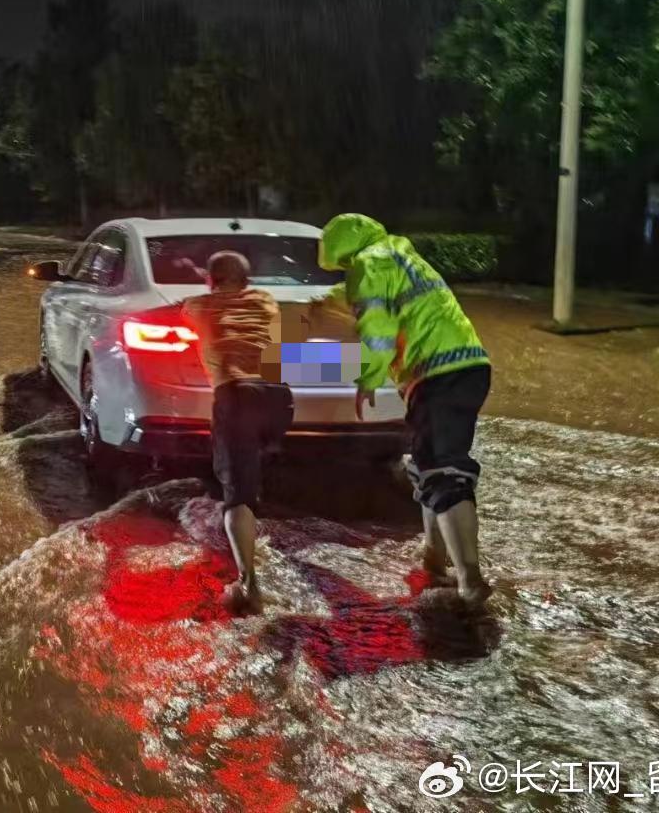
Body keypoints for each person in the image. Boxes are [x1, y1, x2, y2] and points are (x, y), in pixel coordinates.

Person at [316, 214, 493, 605]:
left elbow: (376, 330)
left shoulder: (367, 263)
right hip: (468, 367)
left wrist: (368, 379)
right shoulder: (398, 254)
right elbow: (370, 305)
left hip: (437, 372)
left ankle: (470, 580)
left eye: (342, 266)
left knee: (445, 472)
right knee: (433, 465)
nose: (346, 272)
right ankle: (435, 564)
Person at [181, 250, 293, 614]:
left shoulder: (198, 305)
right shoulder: (266, 301)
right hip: (279, 398)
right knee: (254, 465)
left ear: (211, 281)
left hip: (237, 395)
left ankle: (247, 582)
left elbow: (187, 315)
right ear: (248, 280)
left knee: (237, 495)